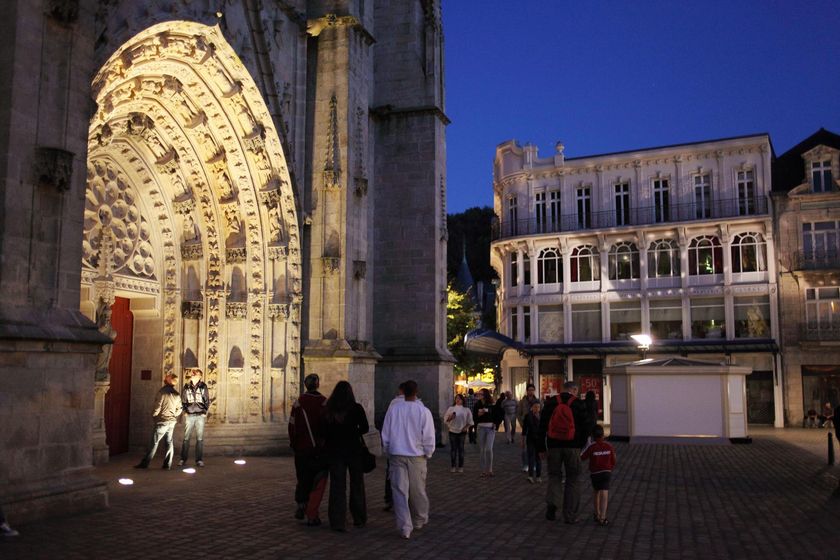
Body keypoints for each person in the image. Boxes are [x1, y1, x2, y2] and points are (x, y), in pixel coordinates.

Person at [381, 379, 436, 540]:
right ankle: (420, 517)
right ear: (416, 392)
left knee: (399, 491)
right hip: (417, 455)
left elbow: (386, 432)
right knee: (418, 489)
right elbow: (428, 435)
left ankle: (405, 526)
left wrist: (387, 449)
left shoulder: (394, 409)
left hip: (397, 454)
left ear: (403, 392)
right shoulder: (423, 411)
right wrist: (428, 452)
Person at [322, 381, 369, 532]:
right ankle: (359, 518)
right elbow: (365, 428)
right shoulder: (356, 408)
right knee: (357, 484)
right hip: (354, 451)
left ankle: (337, 521)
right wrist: (353, 431)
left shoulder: (328, 409)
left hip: (335, 452)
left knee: (337, 486)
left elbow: (323, 431)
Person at [538, 381, 588, 523]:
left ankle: (553, 504)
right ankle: (570, 514)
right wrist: (581, 445)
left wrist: (541, 447)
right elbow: (586, 427)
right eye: (576, 390)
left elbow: (542, 426)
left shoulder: (551, 403)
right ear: (573, 389)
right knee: (573, 479)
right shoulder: (579, 404)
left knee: (554, 476)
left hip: (553, 446)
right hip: (573, 447)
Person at [288, 373, 328, 526]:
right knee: (317, 480)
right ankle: (312, 512)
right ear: (317, 384)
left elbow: (292, 425)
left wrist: (293, 443)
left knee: (303, 477)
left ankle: (301, 504)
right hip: (318, 449)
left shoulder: (299, 402)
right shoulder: (323, 402)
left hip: (301, 448)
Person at [135, 373, 182, 469]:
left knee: (154, 442)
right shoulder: (176, 394)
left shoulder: (162, 392)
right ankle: (167, 464)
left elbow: (157, 406)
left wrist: (154, 415)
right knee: (169, 442)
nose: (165, 378)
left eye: (167, 377)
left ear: (169, 380)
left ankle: (145, 463)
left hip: (162, 421)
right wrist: (173, 415)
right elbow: (180, 409)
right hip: (171, 421)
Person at [580, 424, 616, 526]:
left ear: (593, 436)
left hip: (595, 473)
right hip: (606, 472)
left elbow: (582, 457)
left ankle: (597, 513)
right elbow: (613, 460)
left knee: (596, 492)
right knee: (605, 492)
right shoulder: (609, 446)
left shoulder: (592, 447)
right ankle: (603, 517)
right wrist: (610, 467)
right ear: (603, 435)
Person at [179, 368, 210, 467]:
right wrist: (185, 411)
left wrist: (204, 412)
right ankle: (183, 459)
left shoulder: (203, 386)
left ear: (199, 376)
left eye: (195, 373)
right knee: (186, 438)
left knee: (199, 439)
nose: (192, 374)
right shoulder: (187, 386)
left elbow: (207, 400)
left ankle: (199, 460)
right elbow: (183, 400)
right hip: (190, 415)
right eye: (193, 373)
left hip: (200, 415)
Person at [444, 393, 474, 473]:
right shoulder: (451, 408)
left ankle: (461, 466)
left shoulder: (466, 410)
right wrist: (450, 418)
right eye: (456, 398)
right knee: (453, 449)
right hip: (452, 431)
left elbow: (470, 421)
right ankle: (453, 466)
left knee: (461, 449)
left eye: (459, 399)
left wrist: (465, 428)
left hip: (462, 432)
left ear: (462, 400)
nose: (457, 400)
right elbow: (445, 420)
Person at [517, 384, 541, 472]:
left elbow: (541, 412)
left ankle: (533, 464)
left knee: (535, 447)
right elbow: (519, 413)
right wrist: (522, 423)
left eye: (532, 390)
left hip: (535, 427)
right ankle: (525, 464)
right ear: (527, 391)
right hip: (526, 426)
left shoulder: (538, 401)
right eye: (529, 390)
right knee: (524, 447)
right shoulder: (522, 401)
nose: (531, 391)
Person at [473, 388, 496, 477]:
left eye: (481, 394)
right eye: (479, 394)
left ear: (486, 395)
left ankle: (490, 469)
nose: (479, 395)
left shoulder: (491, 404)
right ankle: (483, 470)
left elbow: (495, 414)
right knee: (482, 450)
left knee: (489, 449)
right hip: (481, 427)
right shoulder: (477, 404)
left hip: (490, 427)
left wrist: (495, 423)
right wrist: (479, 415)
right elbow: (474, 417)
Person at [521, 401, 542, 483]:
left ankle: (538, 476)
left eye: (538, 407)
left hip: (539, 440)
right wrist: (522, 441)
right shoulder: (528, 416)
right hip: (530, 439)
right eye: (535, 407)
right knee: (531, 457)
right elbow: (524, 430)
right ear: (532, 407)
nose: (537, 409)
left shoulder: (542, 416)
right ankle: (530, 476)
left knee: (538, 458)